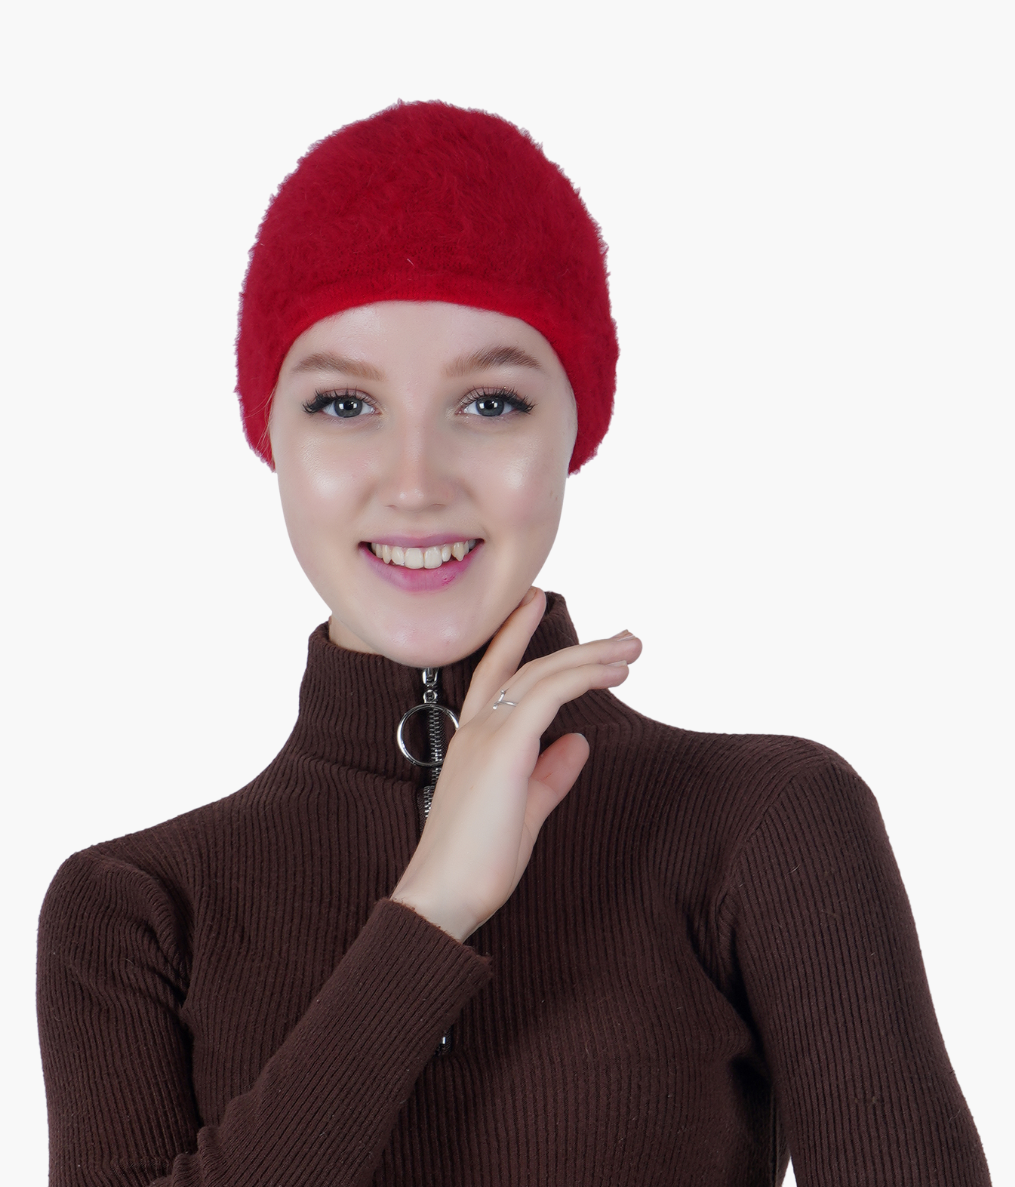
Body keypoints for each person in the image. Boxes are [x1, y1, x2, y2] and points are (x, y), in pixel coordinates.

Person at [36, 101, 991, 1186]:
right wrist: (430, 910)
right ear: (269, 434)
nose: (413, 483)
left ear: (577, 426)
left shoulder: (763, 821)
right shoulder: (135, 905)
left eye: (490, 402)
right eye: (342, 403)